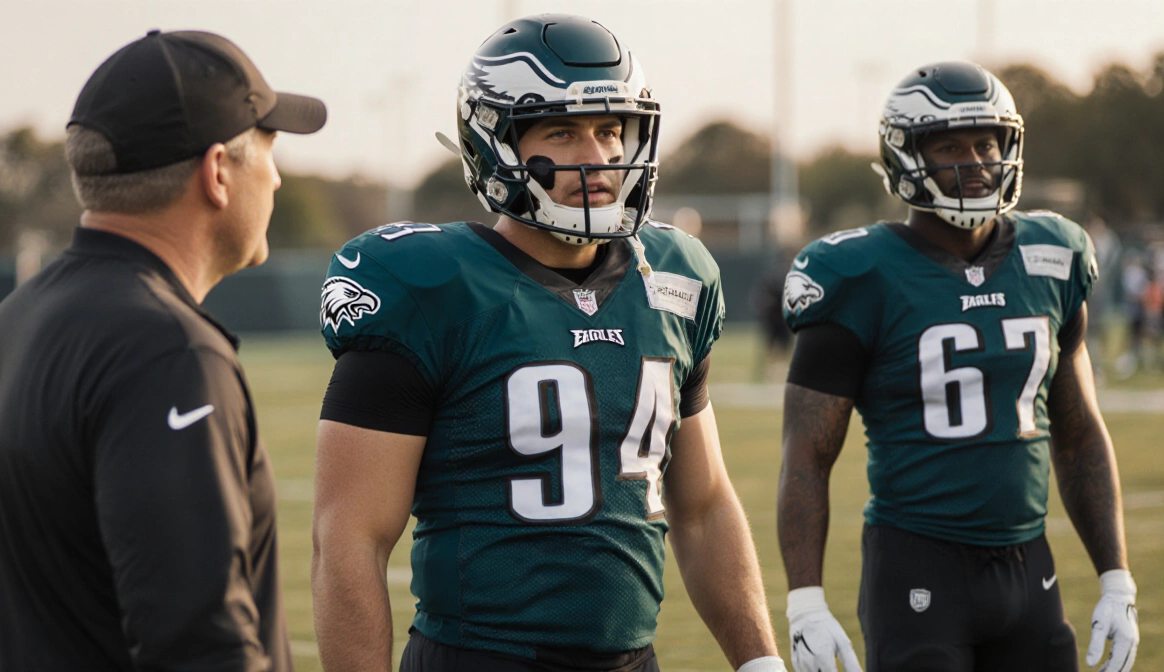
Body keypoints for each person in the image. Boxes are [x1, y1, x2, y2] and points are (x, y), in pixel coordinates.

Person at [310, 14, 786, 672]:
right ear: (494, 142)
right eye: (562, 131)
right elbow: (350, 540)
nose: (596, 157)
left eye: (609, 130)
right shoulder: (428, 286)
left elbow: (703, 507)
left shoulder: (673, 278)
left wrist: (760, 661)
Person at [0, 30, 326, 671]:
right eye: (269, 148)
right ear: (218, 173)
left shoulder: (6, 324)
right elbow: (200, 643)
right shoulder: (169, 353)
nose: (273, 175)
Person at [776, 62, 1139, 672]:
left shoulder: (1053, 256)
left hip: (1030, 566)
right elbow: (807, 453)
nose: (974, 161)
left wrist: (1117, 578)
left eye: (987, 143)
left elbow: (1078, 435)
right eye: (949, 145)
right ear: (905, 157)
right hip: (916, 565)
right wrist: (805, 602)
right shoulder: (858, 273)